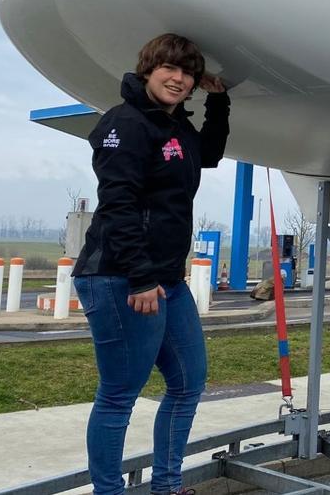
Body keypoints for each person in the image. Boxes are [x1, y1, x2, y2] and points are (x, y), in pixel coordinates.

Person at [73, 33, 229, 495]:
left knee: (187, 384)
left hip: (164, 280)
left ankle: (166, 486)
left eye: (188, 74)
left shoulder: (177, 126)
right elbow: (118, 204)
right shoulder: (124, 123)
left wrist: (218, 104)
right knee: (119, 395)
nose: (178, 79)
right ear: (148, 69)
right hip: (121, 278)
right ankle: (108, 491)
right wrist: (140, 277)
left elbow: (211, 155)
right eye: (170, 69)